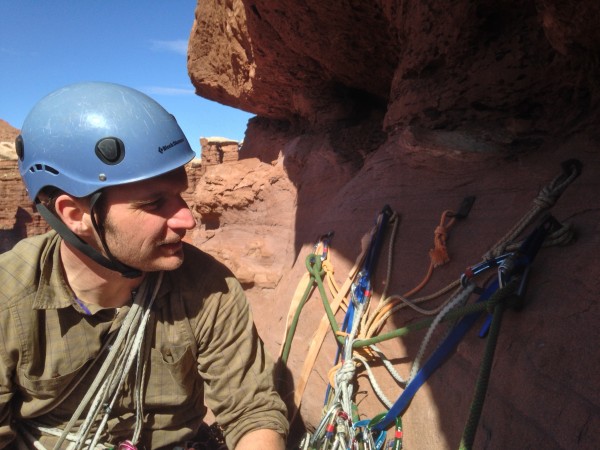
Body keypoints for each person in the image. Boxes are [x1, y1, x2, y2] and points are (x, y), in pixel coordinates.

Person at [0, 82, 288, 449]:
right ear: (75, 215)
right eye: (154, 203)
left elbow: (252, 412)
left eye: (180, 195)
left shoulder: (209, 288)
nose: (187, 219)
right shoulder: (8, 299)